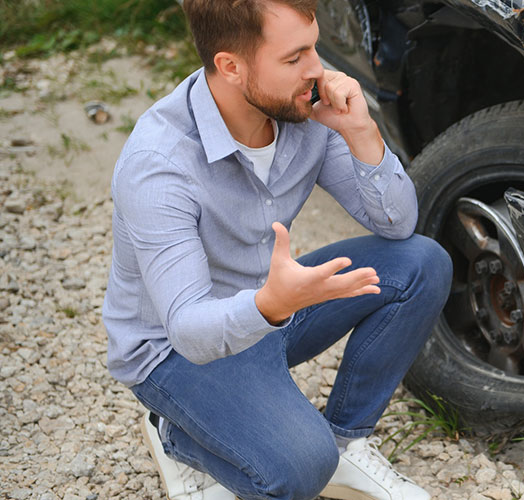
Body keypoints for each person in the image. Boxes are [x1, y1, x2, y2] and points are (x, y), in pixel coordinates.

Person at [101, 0, 451, 499]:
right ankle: (176, 433)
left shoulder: (302, 109)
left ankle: (345, 443)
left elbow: (397, 224)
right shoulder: (158, 166)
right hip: (176, 353)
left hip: (270, 305)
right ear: (231, 66)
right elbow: (189, 330)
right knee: (301, 470)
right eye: (294, 58)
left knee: (421, 263)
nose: (317, 72)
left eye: (314, 48)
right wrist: (272, 304)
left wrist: (361, 131)